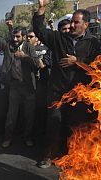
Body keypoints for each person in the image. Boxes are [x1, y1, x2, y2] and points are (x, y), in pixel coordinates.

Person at [33, 0, 101, 168]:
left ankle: (74, 158)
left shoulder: (94, 43)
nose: (72, 25)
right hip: (57, 92)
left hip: (79, 94)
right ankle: (49, 154)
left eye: (76, 22)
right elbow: (39, 30)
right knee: (53, 122)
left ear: (85, 24)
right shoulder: (59, 39)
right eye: (72, 22)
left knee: (77, 127)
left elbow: (96, 67)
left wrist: (76, 61)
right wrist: (42, 8)